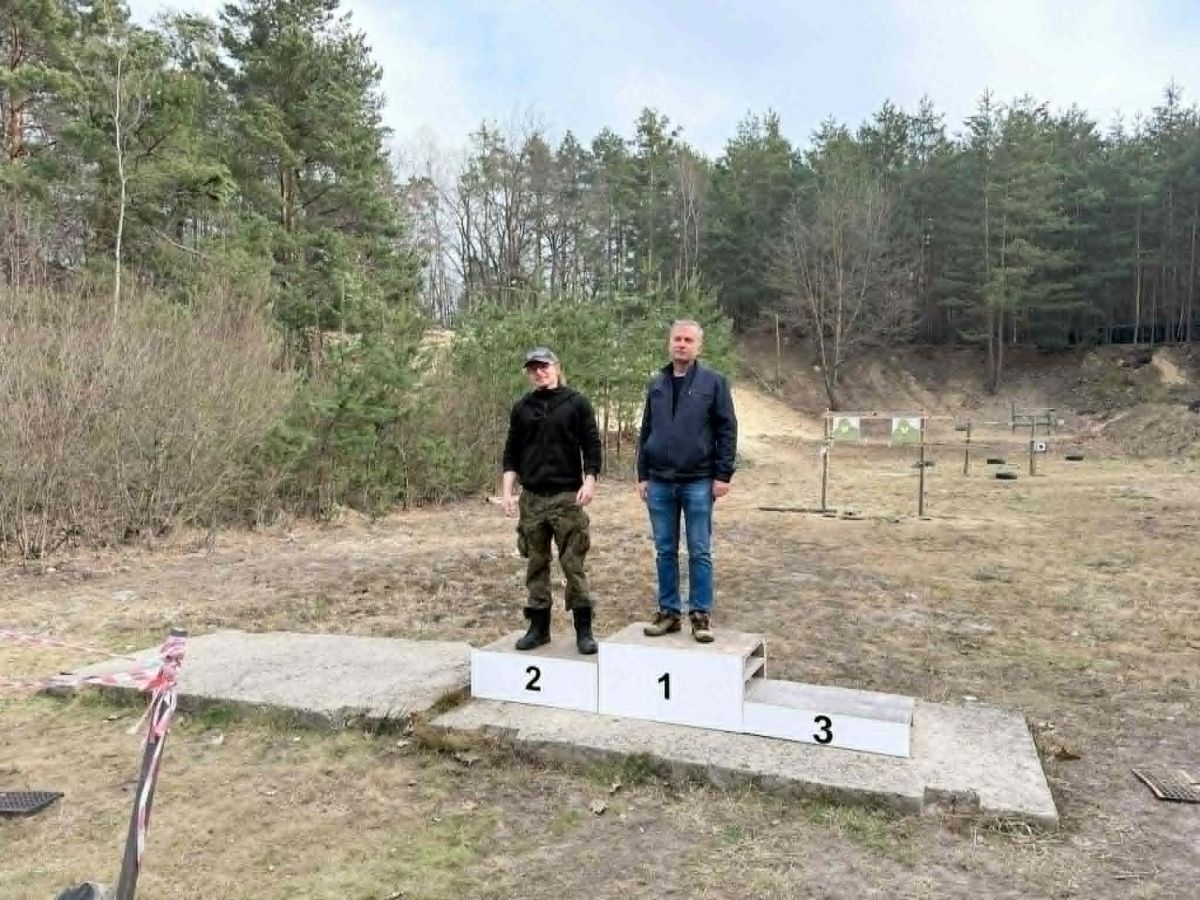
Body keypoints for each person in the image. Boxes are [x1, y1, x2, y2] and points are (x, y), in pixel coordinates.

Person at [636, 320, 737, 643]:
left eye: (688, 340)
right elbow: (646, 430)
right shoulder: (657, 383)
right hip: (660, 482)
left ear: (698, 347)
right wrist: (642, 475)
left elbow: (727, 429)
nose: (681, 344)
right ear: (669, 343)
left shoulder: (714, 382)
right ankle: (669, 613)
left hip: (698, 481)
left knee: (699, 550)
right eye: (677, 339)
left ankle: (700, 615)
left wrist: (723, 474)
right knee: (664, 550)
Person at [501, 347, 603, 654]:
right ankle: (538, 627)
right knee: (536, 563)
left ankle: (583, 630)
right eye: (533, 368)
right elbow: (511, 453)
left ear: (556, 367)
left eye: (543, 366)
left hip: (566, 497)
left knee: (573, 563)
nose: (538, 372)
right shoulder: (522, 408)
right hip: (532, 498)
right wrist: (507, 492)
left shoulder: (576, 403)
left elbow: (591, 445)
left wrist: (589, 481)